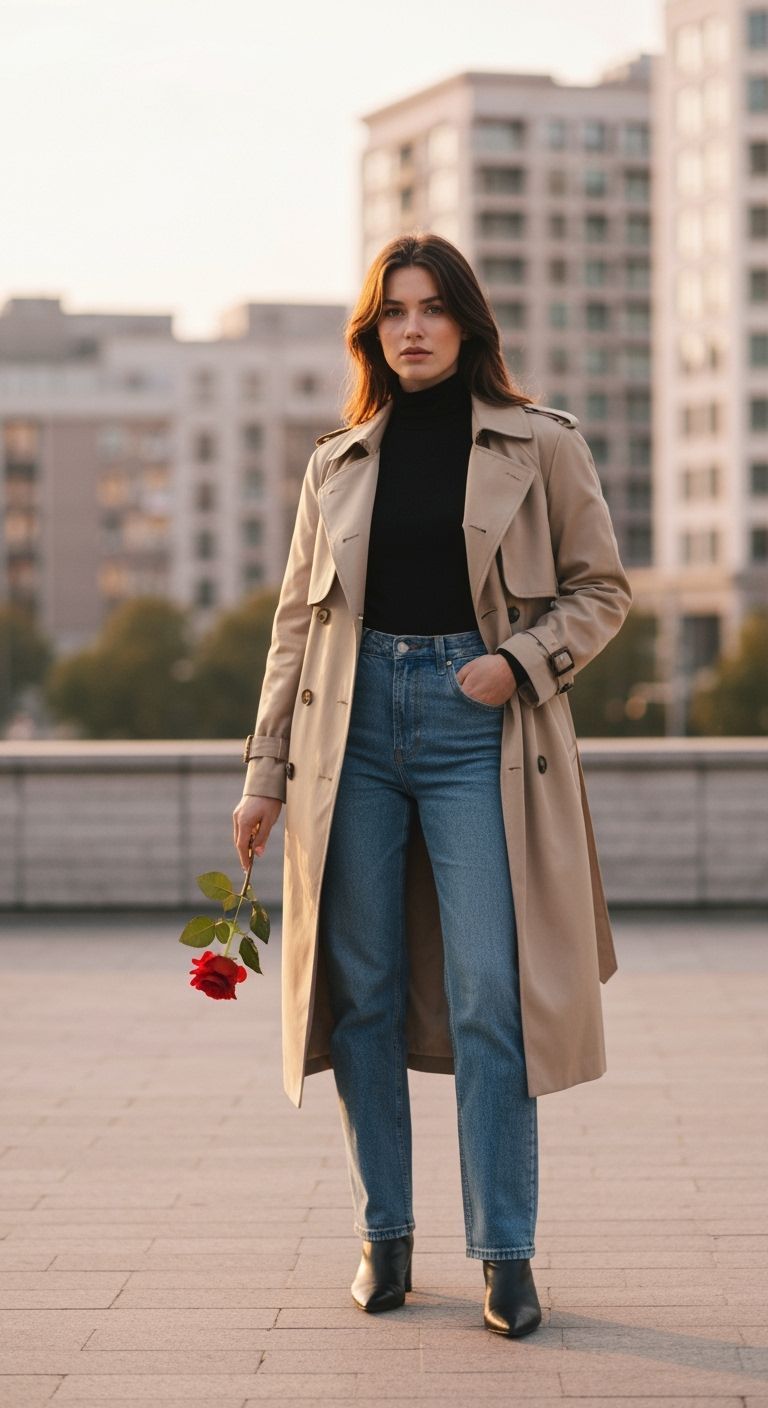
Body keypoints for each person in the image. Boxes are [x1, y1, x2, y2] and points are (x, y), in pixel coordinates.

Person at [233, 232, 632, 1337]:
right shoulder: (338, 461)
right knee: (359, 992)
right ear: (374, 332)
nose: (412, 327)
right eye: (393, 311)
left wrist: (518, 663)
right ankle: (384, 1238)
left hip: (479, 730)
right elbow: (294, 631)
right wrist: (264, 773)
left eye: (432, 308)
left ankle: (506, 1253)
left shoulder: (541, 444)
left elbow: (602, 591)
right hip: (349, 733)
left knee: (486, 994)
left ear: (466, 322)